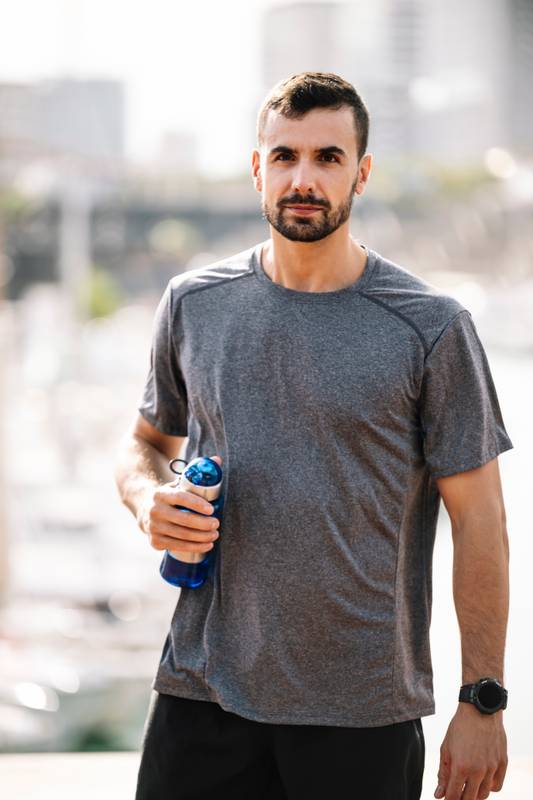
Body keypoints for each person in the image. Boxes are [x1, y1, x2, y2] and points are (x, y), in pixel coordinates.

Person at [115, 72, 512, 800]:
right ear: (256, 168)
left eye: (328, 157)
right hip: (200, 696)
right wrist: (148, 499)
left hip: (361, 714)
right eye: (286, 155)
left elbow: (480, 521)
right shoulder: (193, 304)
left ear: (361, 173)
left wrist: (480, 699)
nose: (304, 178)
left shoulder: (431, 327)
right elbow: (143, 444)